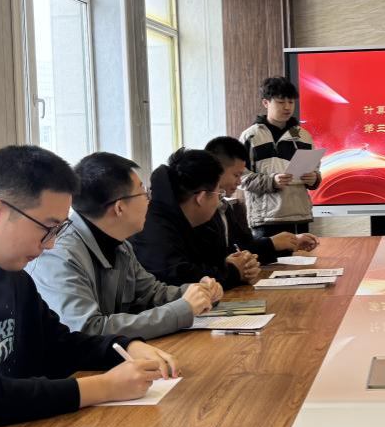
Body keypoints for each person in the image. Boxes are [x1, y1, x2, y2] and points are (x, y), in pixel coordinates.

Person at [0, 146, 178, 427]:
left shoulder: (11, 272)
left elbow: (58, 346)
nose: (50, 244)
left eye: (59, 229)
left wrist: (126, 346)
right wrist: (104, 387)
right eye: (46, 228)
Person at [27, 152, 223, 339]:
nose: (149, 201)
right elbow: (87, 330)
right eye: (143, 193)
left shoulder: (119, 245)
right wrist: (182, 310)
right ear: (119, 207)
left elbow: (150, 293)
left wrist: (198, 292)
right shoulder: (59, 254)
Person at [133, 148, 257, 289]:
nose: (218, 202)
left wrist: (233, 264)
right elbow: (177, 278)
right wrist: (233, 272)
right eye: (219, 195)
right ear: (201, 198)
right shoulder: (153, 226)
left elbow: (202, 265)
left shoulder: (188, 219)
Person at [204, 137, 319, 264]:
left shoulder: (223, 206)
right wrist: (272, 243)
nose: (239, 182)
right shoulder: (204, 210)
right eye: (236, 175)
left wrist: (289, 242)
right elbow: (217, 261)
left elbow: (245, 248)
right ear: (217, 171)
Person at [238, 77, 321, 240]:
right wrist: (271, 181)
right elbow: (240, 178)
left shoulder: (303, 136)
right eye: (281, 102)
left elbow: (315, 171)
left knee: (304, 257)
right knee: (270, 257)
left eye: (291, 102)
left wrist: (314, 179)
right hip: (266, 220)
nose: (287, 107)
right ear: (265, 103)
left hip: (299, 216)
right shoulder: (251, 136)